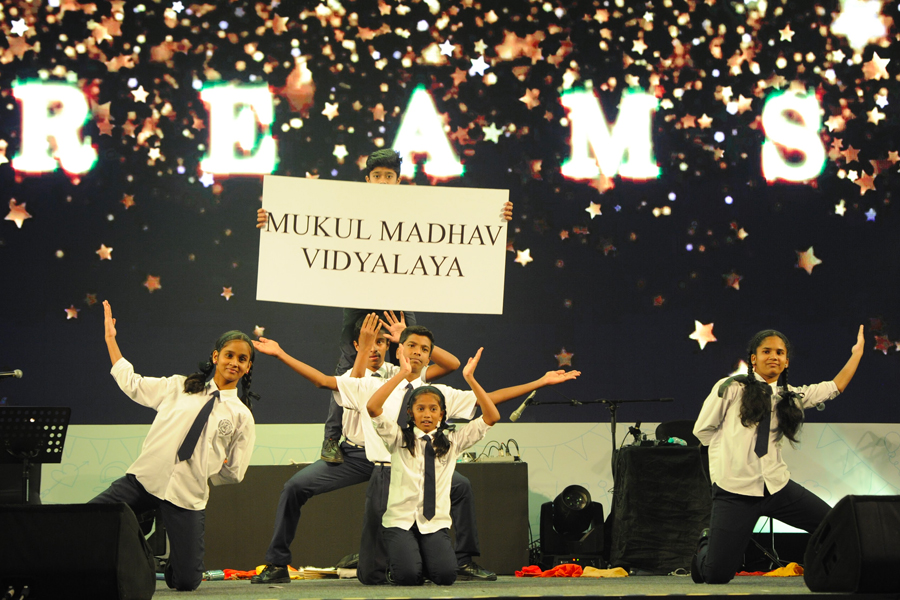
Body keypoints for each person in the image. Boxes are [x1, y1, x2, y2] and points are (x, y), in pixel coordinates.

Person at [255, 149, 513, 465]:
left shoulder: (413, 207)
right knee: (350, 365)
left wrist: (495, 216)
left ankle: (411, 433)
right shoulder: (349, 205)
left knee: (410, 361)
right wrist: (273, 221)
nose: (382, 180)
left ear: (398, 181)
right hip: (359, 299)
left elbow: (457, 226)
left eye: (388, 176)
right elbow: (306, 222)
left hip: (399, 297)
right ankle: (333, 438)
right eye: (376, 175)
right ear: (367, 180)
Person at [337, 322, 581, 584]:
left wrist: (540, 382)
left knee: (461, 485)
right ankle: (395, 560)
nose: (416, 352)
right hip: (385, 468)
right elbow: (351, 392)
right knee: (372, 574)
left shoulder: (438, 394)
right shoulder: (378, 385)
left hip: (428, 465)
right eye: (410, 346)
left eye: (424, 349)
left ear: (429, 358)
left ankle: (462, 559)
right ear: (398, 351)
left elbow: (488, 400)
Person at [248, 313, 465, 584]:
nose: (375, 348)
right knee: (294, 487)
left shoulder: (402, 370)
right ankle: (278, 563)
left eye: (380, 342)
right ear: (356, 346)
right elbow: (346, 379)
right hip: (354, 456)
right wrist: (281, 353)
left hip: (399, 459)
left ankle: (463, 561)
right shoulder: (352, 376)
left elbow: (451, 364)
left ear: (391, 346)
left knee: (461, 486)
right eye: (367, 343)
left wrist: (406, 337)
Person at [90, 301, 257, 591]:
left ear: (248, 367)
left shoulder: (241, 416)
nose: (234, 362)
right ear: (215, 356)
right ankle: (140, 525)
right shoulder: (179, 386)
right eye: (229, 355)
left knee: (187, 581)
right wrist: (110, 340)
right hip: (145, 480)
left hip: (187, 495)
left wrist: (204, 472)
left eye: (242, 359)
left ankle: (167, 561)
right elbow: (132, 383)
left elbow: (235, 472)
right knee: (87, 519)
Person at [690, 325, 865, 584]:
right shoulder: (731, 388)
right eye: (766, 351)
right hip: (735, 493)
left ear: (786, 361)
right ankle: (706, 545)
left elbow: (835, 387)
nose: (774, 356)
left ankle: (833, 572)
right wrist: (729, 462)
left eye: (780, 353)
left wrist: (857, 354)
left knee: (835, 525)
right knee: (716, 575)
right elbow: (702, 431)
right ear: (754, 359)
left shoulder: (789, 397)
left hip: (777, 487)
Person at [367, 346, 500, 585]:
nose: (427, 414)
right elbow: (373, 408)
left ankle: (423, 559)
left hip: (434, 524)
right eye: (420, 409)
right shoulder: (398, 439)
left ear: (442, 414)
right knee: (408, 576)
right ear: (410, 413)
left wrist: (470, 378)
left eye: (433, 409)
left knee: (446, 576)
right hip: (400, 522)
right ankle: (402, 561)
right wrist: (401, 375)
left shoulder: (453, 442)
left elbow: (492, 417)